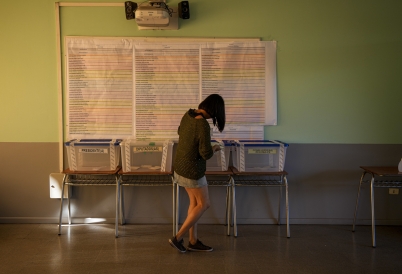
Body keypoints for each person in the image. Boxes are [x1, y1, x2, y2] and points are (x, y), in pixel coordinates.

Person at [169, 94, 226, 253]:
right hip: (193, 171)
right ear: (215, 111)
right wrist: (214, 148)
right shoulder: (202, 125)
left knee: (195, 204)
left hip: (180, 167)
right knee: (204, 204)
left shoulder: (188, 115)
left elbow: (181, 132)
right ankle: (177, 238)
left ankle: (193, 241)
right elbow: (206, 154)